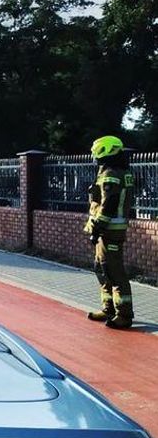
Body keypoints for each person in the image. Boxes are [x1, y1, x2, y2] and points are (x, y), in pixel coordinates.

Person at [84, 135, 135, 329]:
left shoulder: (111, 173)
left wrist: (98, 227)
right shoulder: (115, 171)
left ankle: (124, 314)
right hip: (108, 229)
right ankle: (108, 308)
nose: (94, 156)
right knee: (102, 268)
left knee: (114, 271)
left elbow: (109, 204)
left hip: (109, 230)